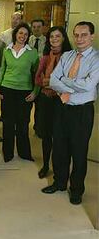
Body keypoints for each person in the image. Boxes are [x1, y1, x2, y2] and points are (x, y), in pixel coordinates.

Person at [42, 21, 99, 205]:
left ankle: (76, 190)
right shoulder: (67, 55)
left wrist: (65, 81)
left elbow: (89, 85)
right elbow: (52, 81)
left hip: (82, 112)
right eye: (76, 35)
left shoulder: (96, 59)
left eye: (84, 35)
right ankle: (59, 183)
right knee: (59, 148)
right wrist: (73, 83)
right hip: (62, 107)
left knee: (79, 151)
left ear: (92, 36)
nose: (79, 38)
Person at [0, 23, 39, 163]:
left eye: (26, 34)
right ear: (15, 34)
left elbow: (37, 75)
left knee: (23, 123)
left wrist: (35, 92)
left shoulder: (32, 52)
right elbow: (3, 69)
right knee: (8, 123)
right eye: (20, 33)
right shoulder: (7, 50)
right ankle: (7, 153)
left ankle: (24, 153)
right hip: (7, 89)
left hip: (25, 92)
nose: (23, 36)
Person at [34, 26, 72, 179]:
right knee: (46, 135)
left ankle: (59, 169)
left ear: (63, 38)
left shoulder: (69, 57)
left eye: (57, 36)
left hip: (61, 101)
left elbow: (69, 82)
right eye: (51, 37)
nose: (54, 39)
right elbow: (37, 79)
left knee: (60, 136)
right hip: (46, 100)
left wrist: (50, 82)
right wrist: (53, 82)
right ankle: (45, 165)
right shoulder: (45, 57)